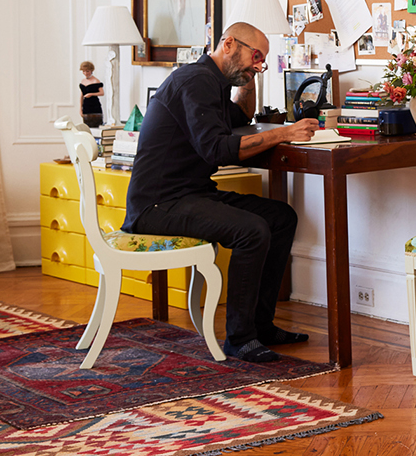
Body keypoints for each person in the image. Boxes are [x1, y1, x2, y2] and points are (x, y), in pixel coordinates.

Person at [123, 22, 320, 362]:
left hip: (192, 195)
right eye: (255, 56)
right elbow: (217, 149)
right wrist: (283, 133)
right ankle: (240, 340)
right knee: (251, 230)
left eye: (263, 61)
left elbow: (239, 118)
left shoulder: (213, 83)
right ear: (228, 44)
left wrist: (250, 76)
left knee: (280, 217)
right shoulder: (195, 81)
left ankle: (260, 325)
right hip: (158, 204)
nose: (258, 65)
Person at [79, 61, 105, 128]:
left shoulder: (96, 81)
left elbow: (102, 93)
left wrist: (91, 94)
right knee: (87, 125)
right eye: (84, 71)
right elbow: (82, 95)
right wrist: (80, 108)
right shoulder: (83, 81)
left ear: (91, 70)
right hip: (86, 106)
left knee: (96, 124)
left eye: (87, 71)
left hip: (94, 105)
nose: (85, 73)